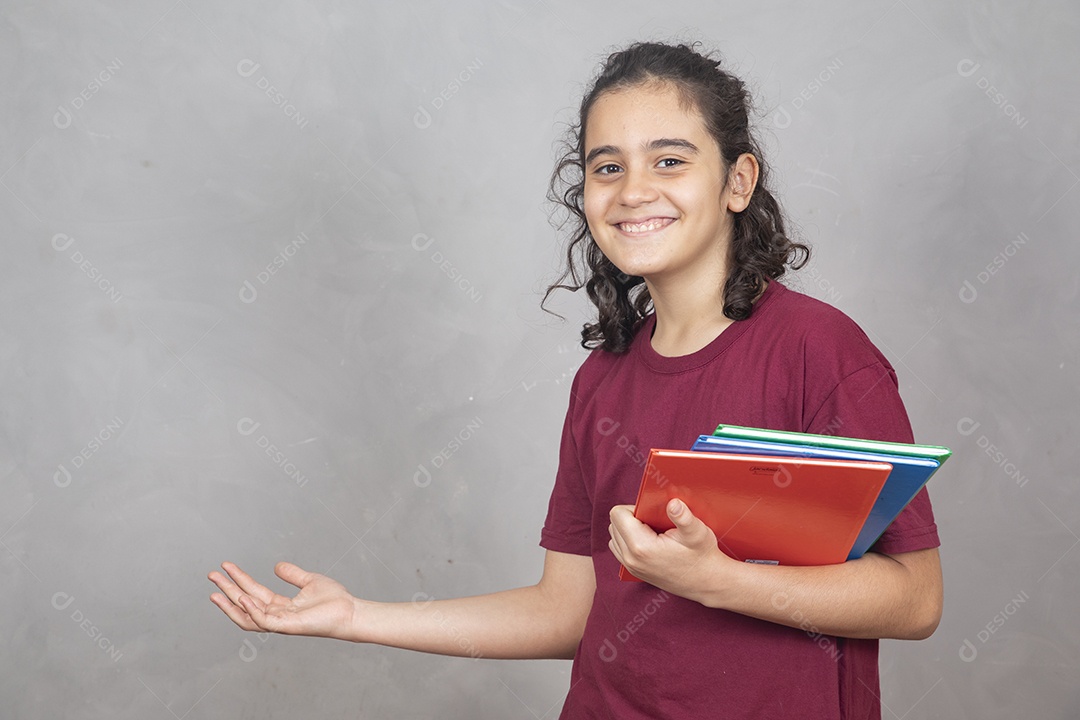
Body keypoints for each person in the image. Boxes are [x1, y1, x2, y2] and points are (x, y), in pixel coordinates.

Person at [209, 40, 943, 719]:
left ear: (737, 180)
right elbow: (567, 611)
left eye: (670, 161)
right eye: (607, 166)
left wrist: (720, 581)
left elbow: (915, 600)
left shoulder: (819, 351)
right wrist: (357, 617)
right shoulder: (602, 380)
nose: (632, 192)